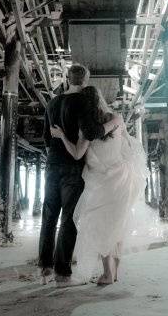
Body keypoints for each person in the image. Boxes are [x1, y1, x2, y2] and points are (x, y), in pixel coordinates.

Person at [50, 86, 148, 285]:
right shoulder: (117, 119)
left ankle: (107, 274)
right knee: (118, 224)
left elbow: (77, 154)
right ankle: (116, 273)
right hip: (123, 178)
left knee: (102, 226)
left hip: (102, 183)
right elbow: (129, 146)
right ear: (101, 100)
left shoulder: (85, 129)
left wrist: (62, 136)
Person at [38, 64, 120, 287]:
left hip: (52, 164)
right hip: (72, 168)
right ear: (86, 80)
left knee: (49, 216)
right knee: (68, 219)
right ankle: (62, 275)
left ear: (66, 78)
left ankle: (45, 269)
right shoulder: (83, 100)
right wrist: (114, 123)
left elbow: (46, 139)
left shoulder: (52, 103)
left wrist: (55, 153)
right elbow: (92, 132)